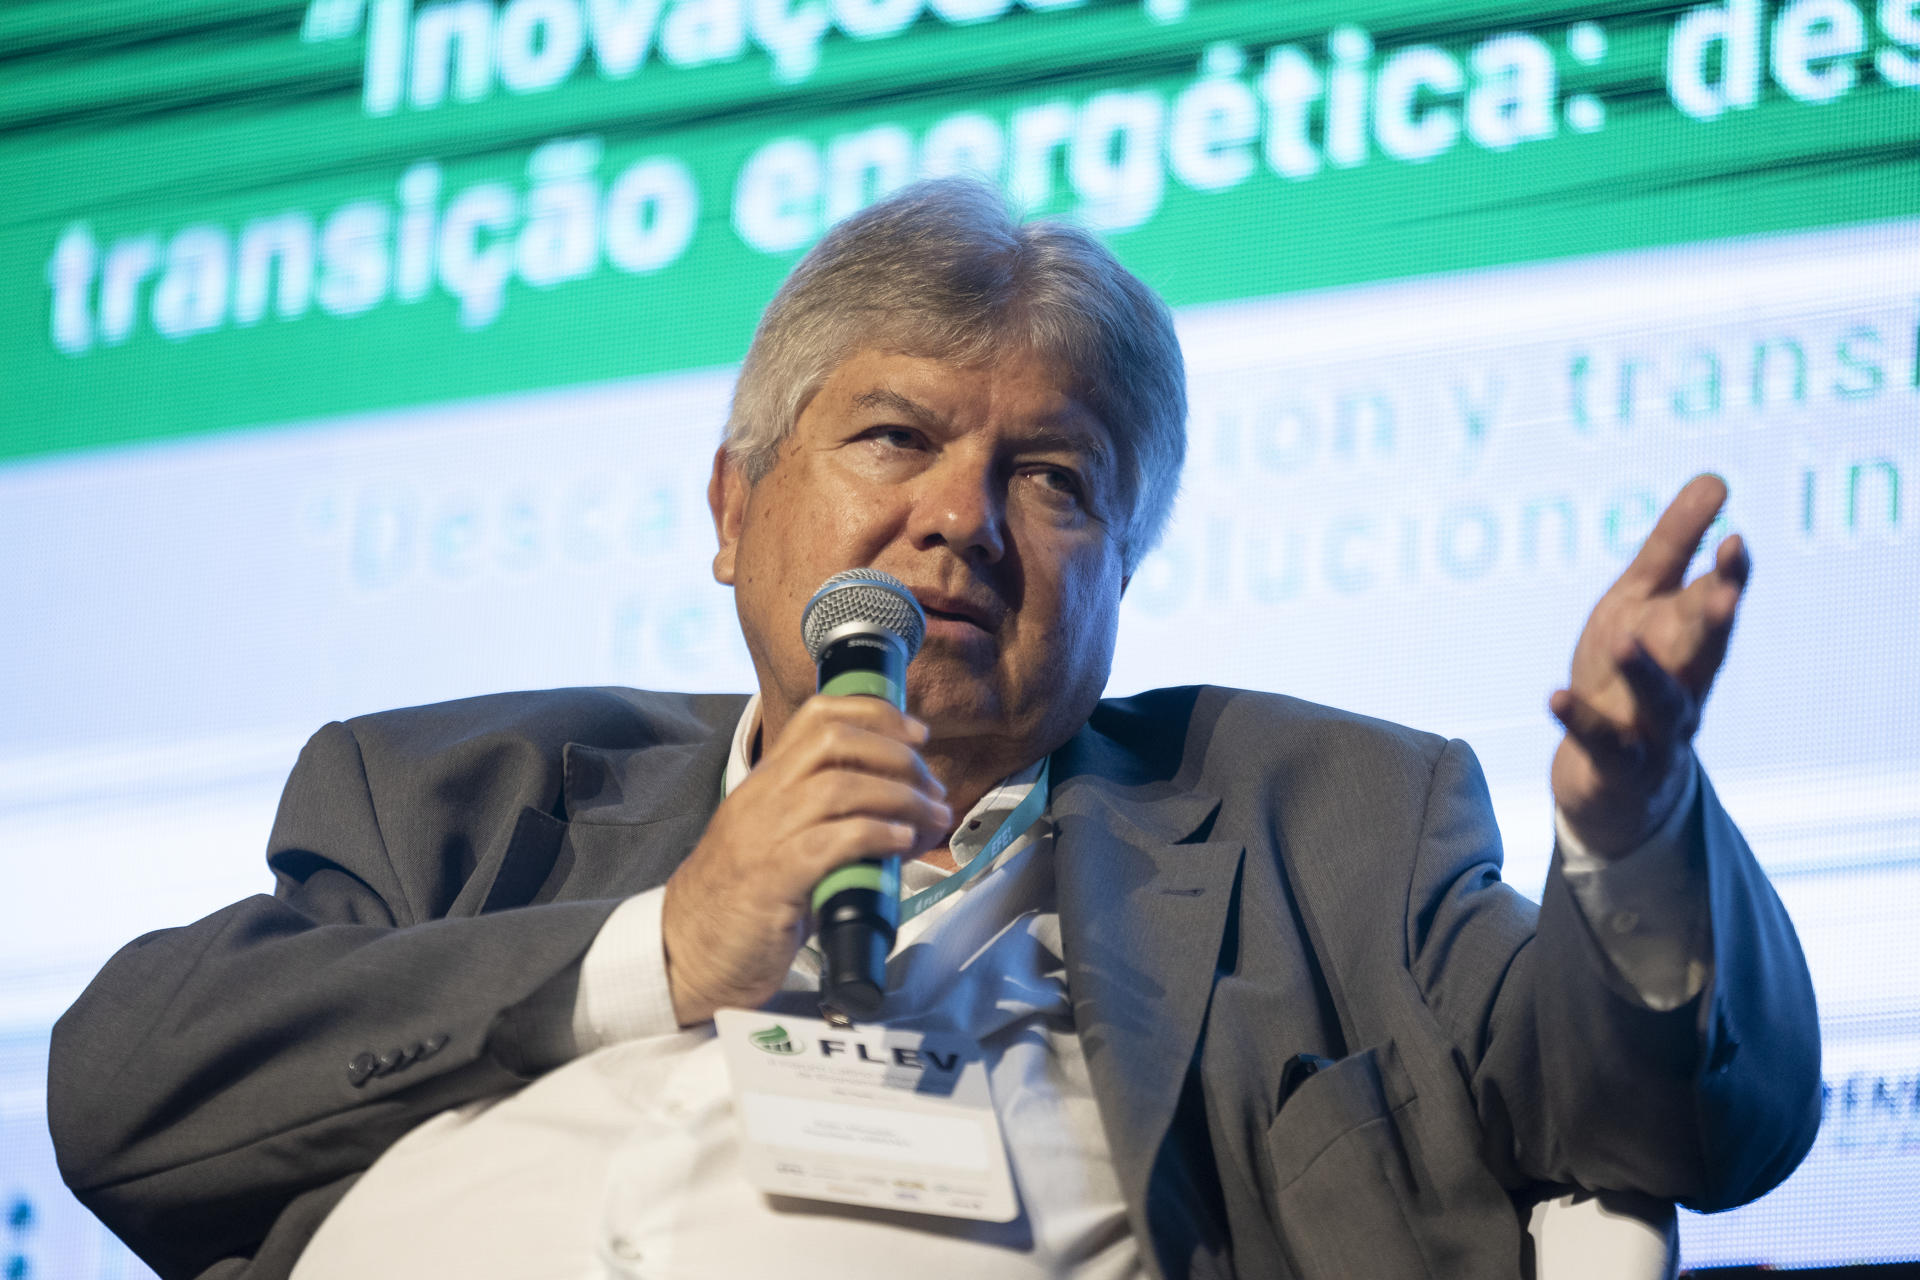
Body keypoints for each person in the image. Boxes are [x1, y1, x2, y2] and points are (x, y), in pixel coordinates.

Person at [49, 179, 1820, 1280]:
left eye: (1053, 477)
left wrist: (1638, 824)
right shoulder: (453, 796)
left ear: (1127, 566)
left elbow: (1668, 1125)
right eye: (896, 439)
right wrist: (660, 950)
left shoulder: (1330, 822)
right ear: (736, 509)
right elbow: (127, 1094)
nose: (963, 520)